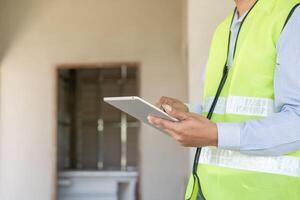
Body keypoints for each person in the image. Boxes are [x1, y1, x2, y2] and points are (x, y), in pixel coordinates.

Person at [148, 0, 300, 199]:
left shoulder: (292, 16)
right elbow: (226, 109)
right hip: (208, 189)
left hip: (266, 192)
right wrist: (187, 111)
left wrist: (217, 134)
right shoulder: (223, 29)